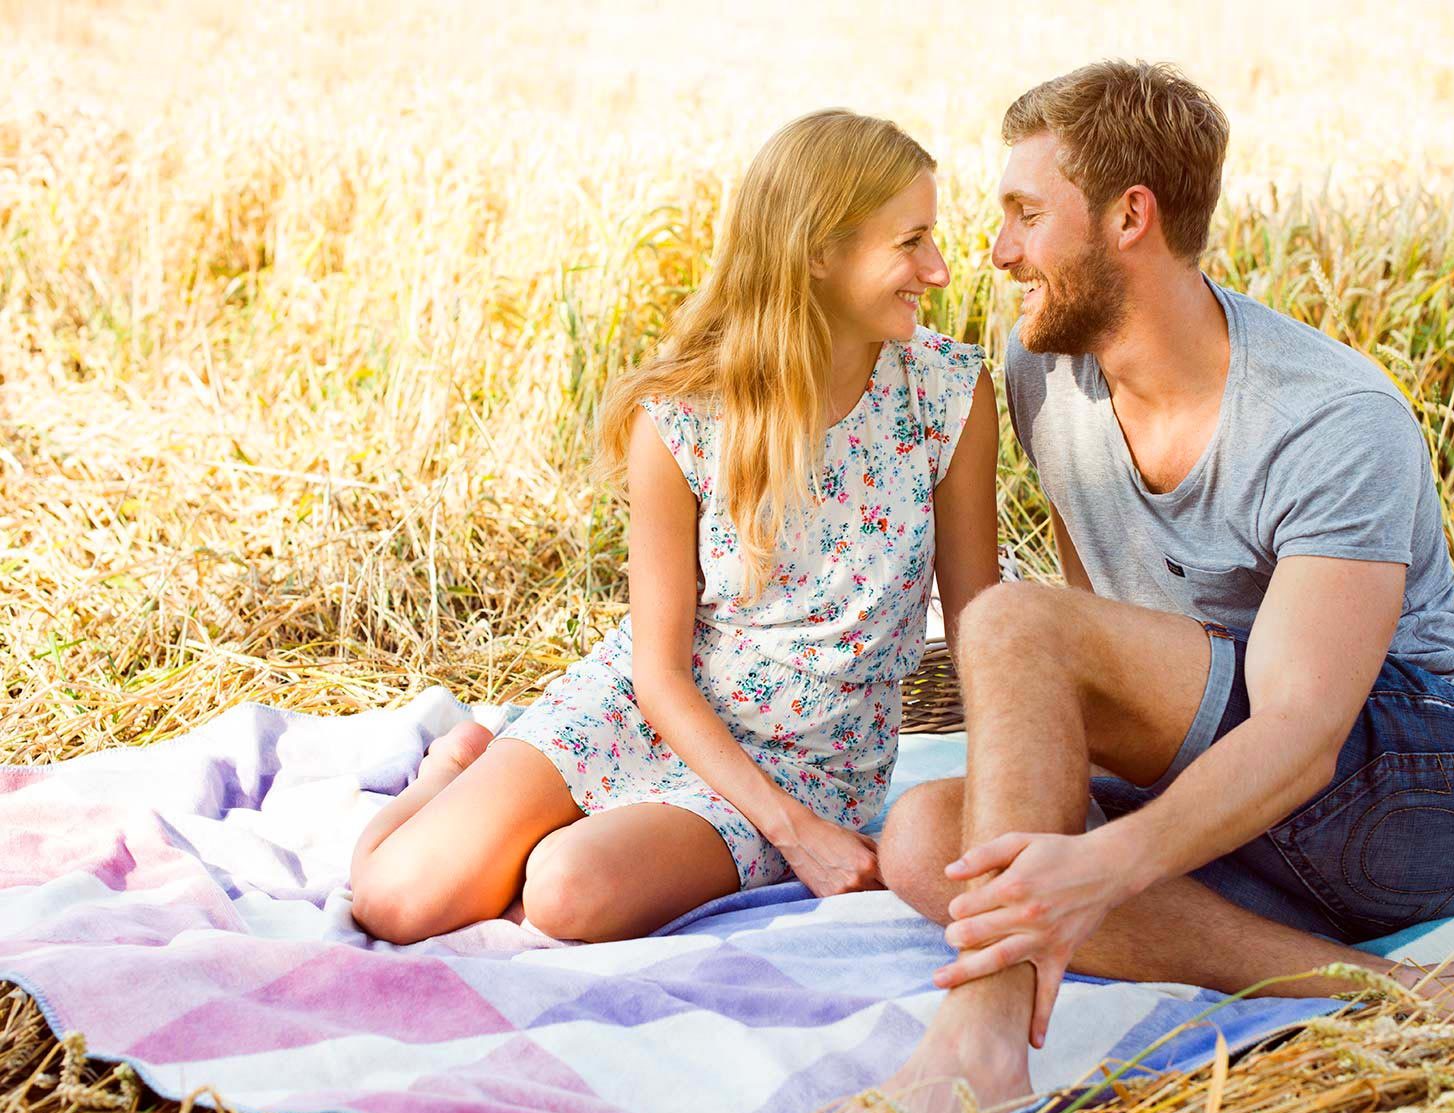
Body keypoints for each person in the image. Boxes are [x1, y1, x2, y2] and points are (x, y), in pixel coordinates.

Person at [872, 61, 1454, 1113]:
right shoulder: (1047, 370)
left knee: (1011, 621)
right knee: (925, 842)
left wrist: (1107, 861)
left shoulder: (1329, 417)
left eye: (1027, 214)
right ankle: (1386, 989)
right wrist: (1063, 824)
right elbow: (1104, 643)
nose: (997, 252)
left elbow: (1303, 733)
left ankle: (980, 1047)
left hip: (1423, 789)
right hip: (1238, 793)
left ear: (1130, 216)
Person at [348, 110, 1004, 945]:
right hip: (650, 706)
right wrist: (795, 839)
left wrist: (1001, 812)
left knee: (567, 893)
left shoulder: (948, 393)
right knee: (395, 902)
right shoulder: (682, 414)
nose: (938, 270)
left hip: (806, 762)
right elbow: (658, 673)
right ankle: (449, 772)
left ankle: (550, 833)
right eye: (911, 242)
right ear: (818, 252)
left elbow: (985, 631)